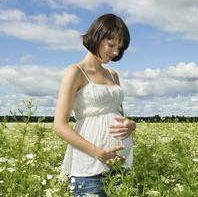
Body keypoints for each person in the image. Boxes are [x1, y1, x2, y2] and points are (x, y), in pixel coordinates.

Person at [53, 13, 136, 197]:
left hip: (120, 164)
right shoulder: (75, 72)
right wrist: (98, 153)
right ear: (96, 36)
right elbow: (59, 125)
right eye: (111, 45)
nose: (115, 52)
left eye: (119, 48)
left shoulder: (113, 75)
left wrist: (130, 125)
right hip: (90, 166)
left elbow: (118, 114)